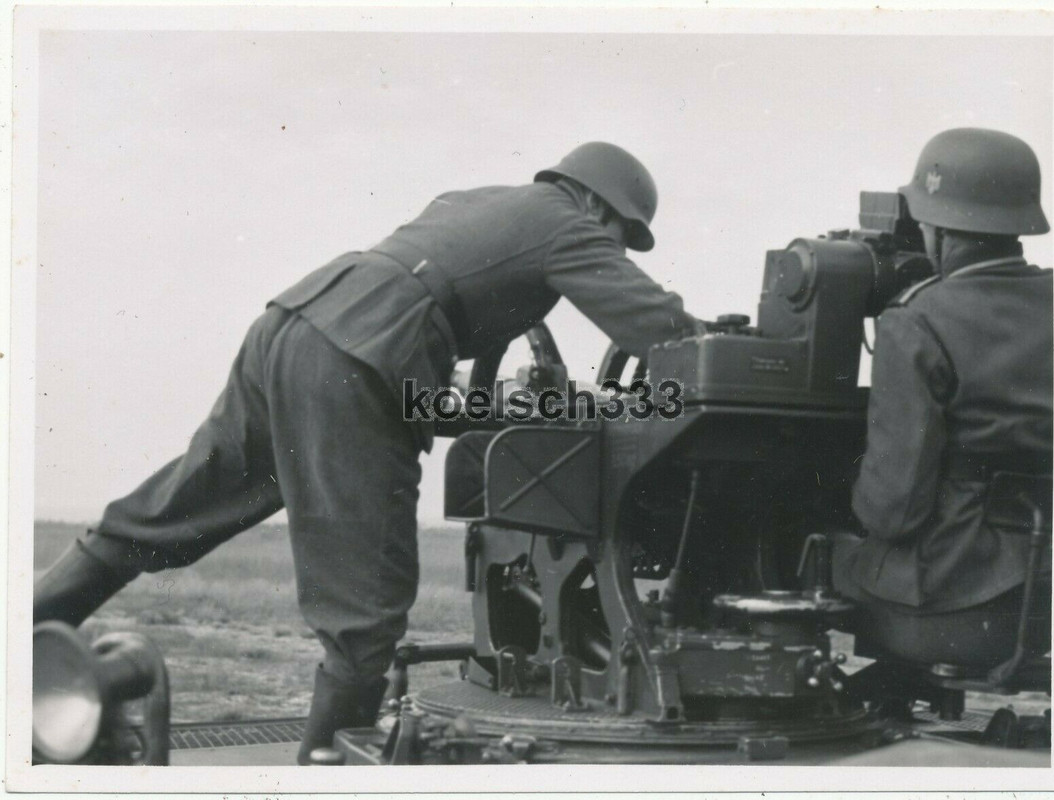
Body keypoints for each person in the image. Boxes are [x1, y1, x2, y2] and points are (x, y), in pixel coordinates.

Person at [33, 142, 702, 761]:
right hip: (362, 363)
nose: (615, 251)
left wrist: (527, 404)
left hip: (296, 323)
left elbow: (452, 348)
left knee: (173, 510)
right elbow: (662, 328)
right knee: (365, 620)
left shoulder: (477, 206)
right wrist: (733, 350)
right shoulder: (566, 225)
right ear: (596, 203)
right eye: (621, 237)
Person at [836, 128, 1053, 666]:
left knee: (810, 548)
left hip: (951, 609)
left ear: (934, 228)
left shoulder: (917, 321)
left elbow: (894, 511)